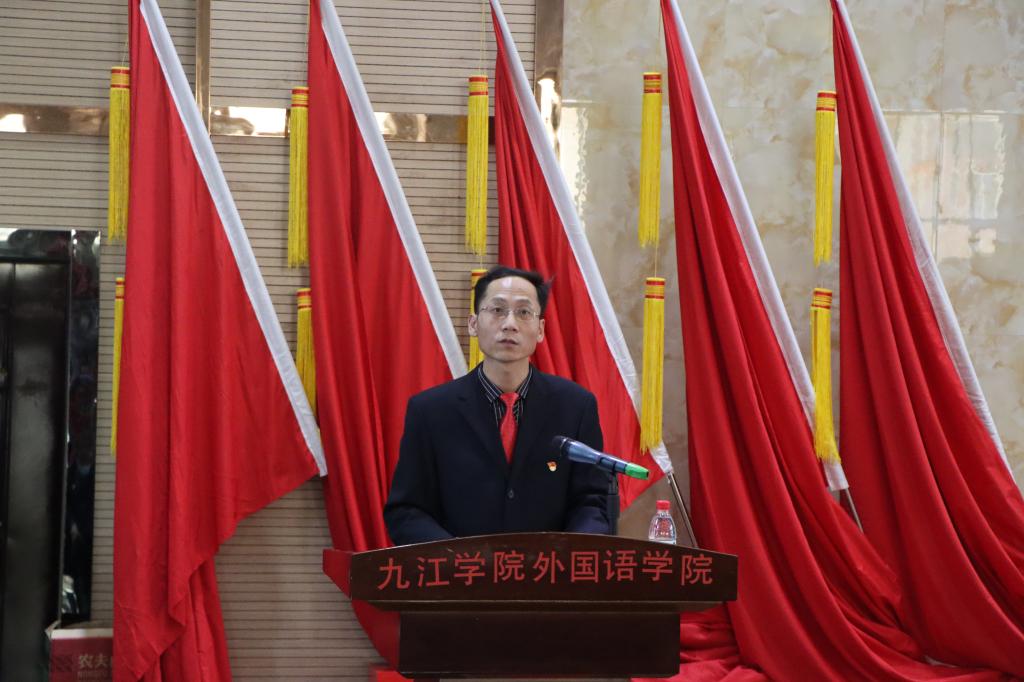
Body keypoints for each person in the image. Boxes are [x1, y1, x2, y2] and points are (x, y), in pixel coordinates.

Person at [383, 265, 611, 545]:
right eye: (497, 310)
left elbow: (591, 502)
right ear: (473, 324)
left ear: (540, 330)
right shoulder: (430, 411)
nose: (509, 324)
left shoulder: (575, 406)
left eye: (524, 312)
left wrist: (565, 554)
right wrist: (460, 557)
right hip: (460, 569)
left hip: (549, 568)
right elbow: (407, 511)